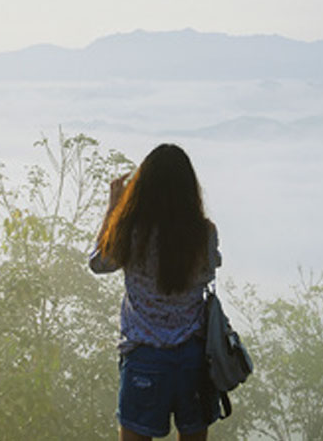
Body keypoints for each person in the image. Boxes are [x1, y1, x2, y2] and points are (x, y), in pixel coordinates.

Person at [89, 144, 222, 441]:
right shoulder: (205, 233)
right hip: (193, 356)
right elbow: (209, 271)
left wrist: (113, 208)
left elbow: (98, 263)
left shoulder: (131, 232)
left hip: (144, 357)